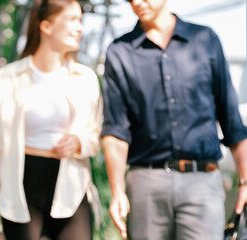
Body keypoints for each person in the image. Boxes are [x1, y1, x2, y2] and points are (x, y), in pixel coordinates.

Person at [101, 0, 247, 239]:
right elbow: (116, 130)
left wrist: (245, 181)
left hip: (202, 184)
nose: (136, 2)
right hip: (145, 184)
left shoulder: (205, 40)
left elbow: (231, 118)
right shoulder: (120, 51)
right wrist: (117, 192)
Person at [0, 0, 103, 239]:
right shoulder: (6, 79)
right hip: (20, 188)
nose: (80, 28)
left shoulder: (85, 79)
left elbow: (95, 136)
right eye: (73, 20)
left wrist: (79, 142)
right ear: (46, 26)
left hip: (71, 187)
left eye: (81, 21)